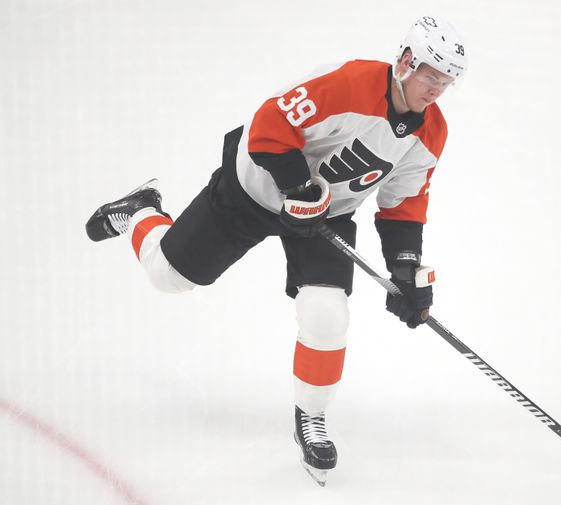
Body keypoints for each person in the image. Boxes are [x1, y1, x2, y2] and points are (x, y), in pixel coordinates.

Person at [85, 15, 468, 486]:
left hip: (326, 215)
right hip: (255, 188)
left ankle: (312, 419)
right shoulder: (348, 83)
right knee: (167, 274)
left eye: (446, 82)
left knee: (327, 314)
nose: (437, 90)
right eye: (432, 76)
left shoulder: (432, 132)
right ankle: (142, 209)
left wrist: (405, 270)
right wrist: (297, 185)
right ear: (407, 61)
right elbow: (270, 123)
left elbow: (405, 203)